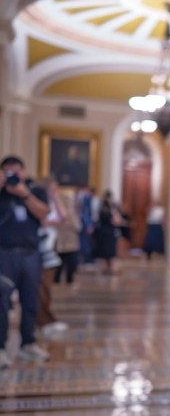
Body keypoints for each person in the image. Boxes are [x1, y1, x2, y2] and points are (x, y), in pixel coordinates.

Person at [0, 156, 51, 368]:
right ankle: (1, 347)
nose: (13, 175)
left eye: (17, 171)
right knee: (2, 301)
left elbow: (44, 213)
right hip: (4, 253)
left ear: (23, 172)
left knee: (31, 299)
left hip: (30, 253)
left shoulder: (34, 190)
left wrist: (25, 194)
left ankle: (28, 342)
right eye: (8, 171)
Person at [36, 177, 69, 337]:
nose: (56, 191)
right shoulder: (38, 203)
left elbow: (63, 216)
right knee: (42, 287)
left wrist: (56, 198)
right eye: (53, 189)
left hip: (51, 247)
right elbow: (43, 221)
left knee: (47, 287)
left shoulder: (52, 202)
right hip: (41, 248)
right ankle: (43, 320)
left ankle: (46, 318)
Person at [54, 191, 81, 285]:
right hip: (61, 242)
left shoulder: (72, 214)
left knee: (69, 264)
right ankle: (59, 279)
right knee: (60, 264)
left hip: (69, 241)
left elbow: (77, 226)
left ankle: (66, 279)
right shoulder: (59, 213)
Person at [92, 190, 121, 275]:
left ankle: (106, 268)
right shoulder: (109, 210)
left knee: (105, 252)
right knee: (110, 252)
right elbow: (117, 221)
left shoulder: (101, 209)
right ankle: (110, 268)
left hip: (104, 232)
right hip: (109, 232)